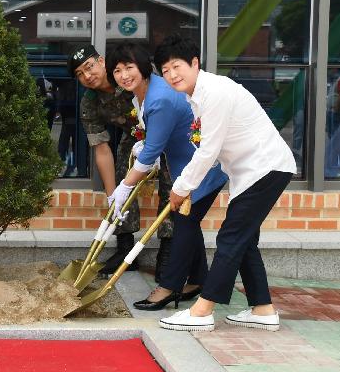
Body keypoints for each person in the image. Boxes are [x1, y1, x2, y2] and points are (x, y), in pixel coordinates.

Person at [153, 35, 296, 332]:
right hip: (253, 172)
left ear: (195, 63)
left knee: (230, 239)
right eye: (165, 71)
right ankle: (263, 309)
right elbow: (209, 149)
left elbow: (208, 151)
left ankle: (202, 311)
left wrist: (180, 188)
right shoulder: (197, 96)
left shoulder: (215, 92)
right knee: (244, 242)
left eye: (176, 66)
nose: (172, 75)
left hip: (264, 168)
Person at [105, 42, 227, 311]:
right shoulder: (143, 92)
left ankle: (168, 287)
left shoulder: (159, 98)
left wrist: (124, 186)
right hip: (189, 168)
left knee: (183, 224)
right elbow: (154, 140)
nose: (124, 75)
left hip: (200, 170)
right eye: (116, 70)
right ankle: (197, 281)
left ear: (143, 67)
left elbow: (150, 154)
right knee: (188, 223)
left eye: (129, 67)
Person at [67, 44, 174, 278]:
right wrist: (112, 196)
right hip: (136, 135)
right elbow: (101, 148)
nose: (87, 76)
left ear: (102, 61)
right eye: (80, 74)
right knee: (120, 172)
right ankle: (125, 248)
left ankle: (168, 250)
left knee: (171, 184)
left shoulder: (126, 77)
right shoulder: (90, 102)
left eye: (89, 66)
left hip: (167, 130)